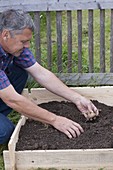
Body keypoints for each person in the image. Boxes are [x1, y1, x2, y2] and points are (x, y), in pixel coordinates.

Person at [0, 9, 99, 144]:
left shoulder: (13, 46)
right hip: (9, 99)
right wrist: (55, 120)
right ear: (6, 35)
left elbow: (40, 73)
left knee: (20, 72)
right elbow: (13, 100)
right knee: (5, 131)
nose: (27, 45)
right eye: (23, 41)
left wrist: (77, 98)